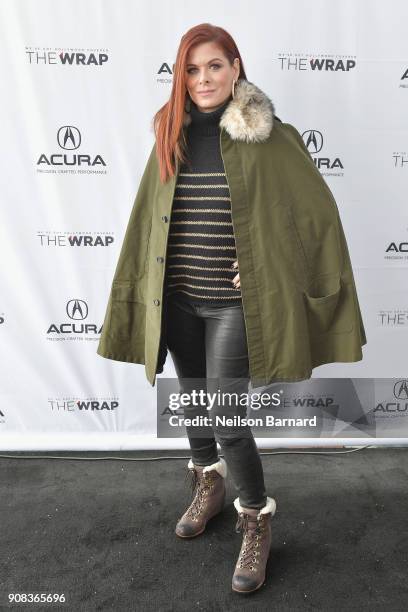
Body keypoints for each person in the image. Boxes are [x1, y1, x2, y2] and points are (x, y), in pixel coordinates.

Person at [97, 22, 367, 595]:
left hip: (233, 306)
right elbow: (149, 219)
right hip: (179, 298)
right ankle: (206, 483)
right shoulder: (167, 134)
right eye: (191, 69)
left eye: (214, 66)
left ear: (235, 67)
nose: (203, 79)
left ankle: (254, 517)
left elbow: (317, 219)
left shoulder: (268, 136)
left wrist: (274, 263)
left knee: (225, 413)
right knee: (196, 404)